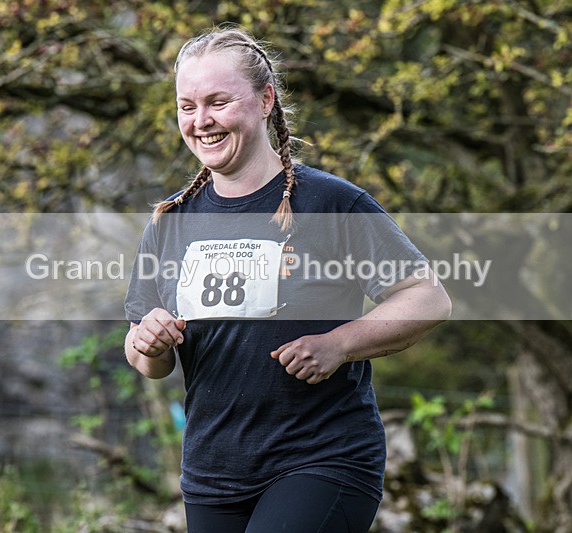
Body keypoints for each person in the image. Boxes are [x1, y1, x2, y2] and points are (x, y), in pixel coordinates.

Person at [123, 26, 451, 533]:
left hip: (322, 457)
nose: (201, 121)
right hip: (214, 471)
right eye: (187, 106)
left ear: (265, 100)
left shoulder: (330, 203)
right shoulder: (171, 220)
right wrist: (148, 342)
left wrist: (339, 343)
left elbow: (428, 297)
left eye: (218, 102)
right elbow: (148, 360)